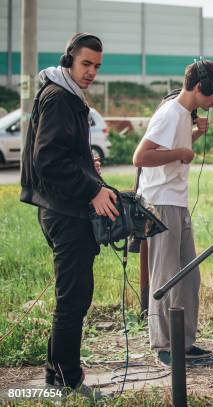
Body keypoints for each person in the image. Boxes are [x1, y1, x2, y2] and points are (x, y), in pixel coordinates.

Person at [20, 33, 116, 398]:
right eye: (85, 64)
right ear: (69, 61)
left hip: (61, 208)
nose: (91, 72)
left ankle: (60, 375)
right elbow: (47, 160)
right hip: (64, 213)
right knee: (72, 299)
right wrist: (92, 188)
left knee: (75, 297)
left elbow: (56, 154)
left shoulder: (65, 93)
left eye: (96, 66)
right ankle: (64, 382)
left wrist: (84, 164)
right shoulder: (61, 97)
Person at [132, 59, 213, 367]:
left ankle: (184, 343)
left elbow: (172, 150)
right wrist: (182, 152)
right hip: (161, 201)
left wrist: (194, 136)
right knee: (165, 275)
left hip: (177, 201)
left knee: (188, 276)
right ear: (200, 87)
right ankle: (162, 344)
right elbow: (141, 156)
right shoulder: (171, 112)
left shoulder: (185, 115)